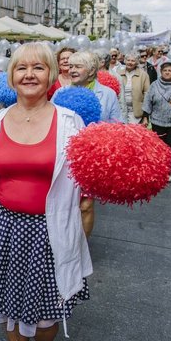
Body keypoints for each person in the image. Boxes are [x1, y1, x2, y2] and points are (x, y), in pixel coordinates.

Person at [0, 42, 92, 341]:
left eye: (38, 67)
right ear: (11, 76)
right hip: (4, 228)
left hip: (50, 230)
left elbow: (84, 179)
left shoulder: (71, 123)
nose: (29, 74)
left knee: (46, 315)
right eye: (21, 68)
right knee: (11, 313)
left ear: (51, 75)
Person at [52, 51, 123, 238]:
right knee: (60, 203)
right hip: (62, 155)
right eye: (71, 66)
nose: (72, 70)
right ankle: (60, 242)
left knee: (85, 205)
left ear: (91, 71)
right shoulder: (61, 92)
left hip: (91, 158)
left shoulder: (107, 94)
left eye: (78, 66)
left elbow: (118, 124)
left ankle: (81, 247)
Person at [118, 51, 150, 123]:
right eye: (128, 60)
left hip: (136, 112)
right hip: (121, 110)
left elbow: (147, 95)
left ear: (137, 62)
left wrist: (145, 116)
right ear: (125, 61)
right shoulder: (119, 74)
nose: (130, 62)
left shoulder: (143, 75)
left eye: (133, 61)